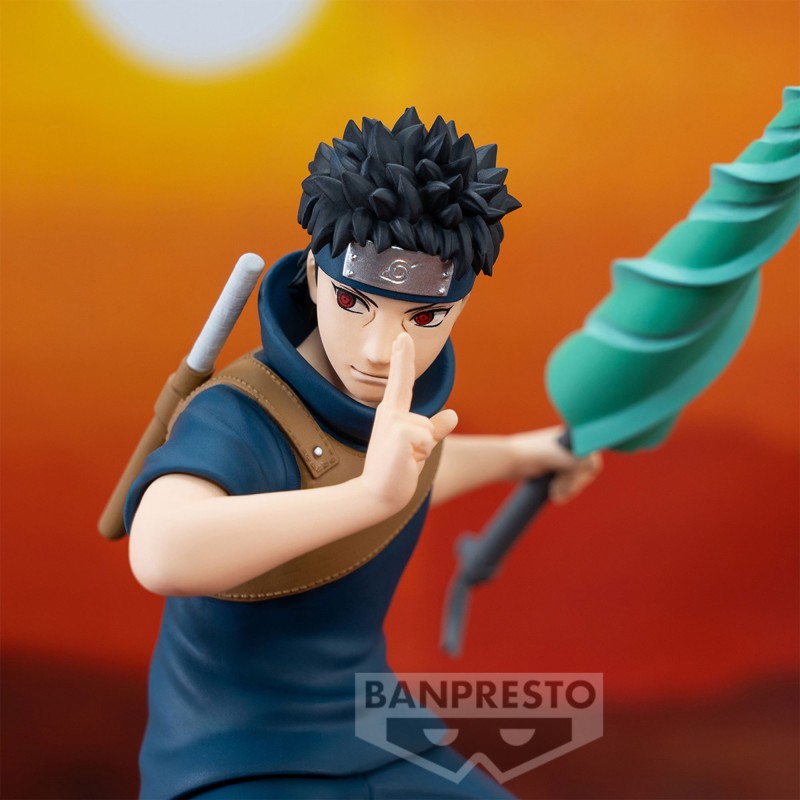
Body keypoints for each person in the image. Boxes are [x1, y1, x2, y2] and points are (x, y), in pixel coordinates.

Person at [125, 108, 601, 799]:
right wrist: (366, 498)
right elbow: (161, 553)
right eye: (354, 301)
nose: (380, 350)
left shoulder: (395, 417)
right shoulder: (239, 414)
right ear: (315, 279)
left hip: (378, 735)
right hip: (235, 756)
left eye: (424, 317)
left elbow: (417, 470)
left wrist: (523, 454)